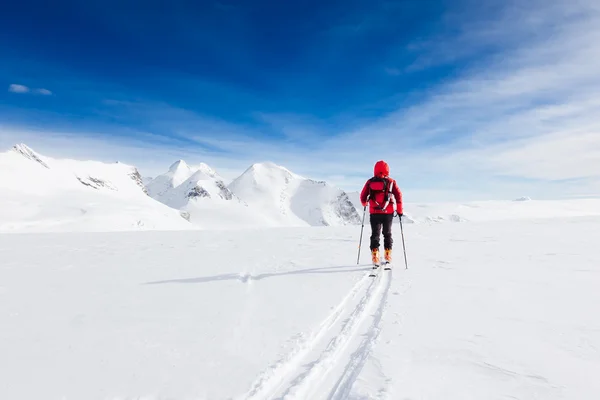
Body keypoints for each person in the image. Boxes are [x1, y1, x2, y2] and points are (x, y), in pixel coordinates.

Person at [359, 160, 403, 265]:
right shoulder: (391, 182)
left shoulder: (370, 182)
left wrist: (365, 203)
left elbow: (362, 196)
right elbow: (398, 196)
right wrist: (400, 210)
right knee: (387, 234)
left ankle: (375, 256)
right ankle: (388, 254)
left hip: (374, 213)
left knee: (375, 234)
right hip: (388, 212)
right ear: (387, 170)